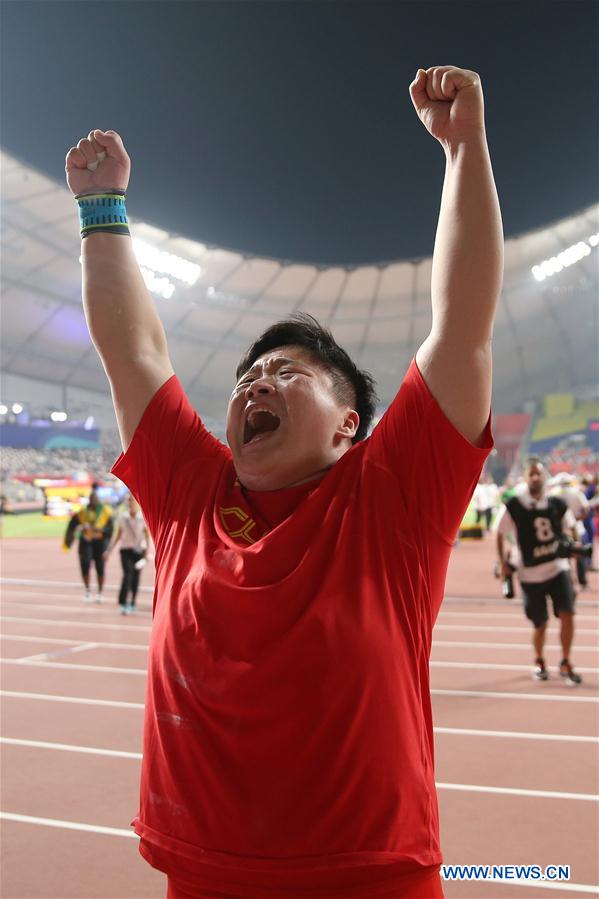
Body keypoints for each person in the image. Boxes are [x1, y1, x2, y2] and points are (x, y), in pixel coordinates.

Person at [65, 65, 502, 899]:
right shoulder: (191, 492)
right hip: (201, 874)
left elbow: (463, 326)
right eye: (249, 373)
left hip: (371, 877)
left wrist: (463, 148)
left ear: (349, 424)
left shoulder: (392, 499)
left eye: (288, 372)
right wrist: (101, 210)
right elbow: (135, 354)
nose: (255, 383)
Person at [494, 458, 584, 685]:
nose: (535, 478)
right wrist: (502, 563)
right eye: (531, 474)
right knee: (540, 623)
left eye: (538, 474)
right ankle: (540, 660)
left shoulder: (556, 504)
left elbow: (572, 527)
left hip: (557, 568)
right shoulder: (515, 505)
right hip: (530, 573)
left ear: (545, 477)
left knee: (568, 614)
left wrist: (573, 546)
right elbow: (499, 532)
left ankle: (565, 661)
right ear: (526, 478)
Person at [63, 483, 113, 602]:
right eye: (91, 499)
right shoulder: (82, 512)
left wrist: (100, 532)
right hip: (85, 543)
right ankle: (87, 591)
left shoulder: (105, 512)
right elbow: (72, 526)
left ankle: (100, 593)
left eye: (95, 499)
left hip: (100, 544)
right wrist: (69, 541)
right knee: (85, 566)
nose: (93, 501)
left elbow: (110, 529)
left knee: (100, 568)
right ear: (89, 501)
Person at [104, 494, 149, 614]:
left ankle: (133, 602)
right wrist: (109, 550)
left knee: (136, 577)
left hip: (139, 551)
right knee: (127, 575)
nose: (131, 504)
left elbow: (147, 535)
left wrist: (147, 552)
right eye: (129, 502)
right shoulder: (123, 517)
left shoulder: (142, 517)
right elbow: (118, 535)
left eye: (133, 502)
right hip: (126, 550)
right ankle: (123, 602)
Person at [547, 472, 591, 588]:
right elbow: (586, 508)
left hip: (559, 529)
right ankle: (582, 581)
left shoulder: (553, 493)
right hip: (576, 527)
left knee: (562, 554)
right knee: (578, 552)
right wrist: (578, 518)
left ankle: (566, 581)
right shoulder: (576, 492)